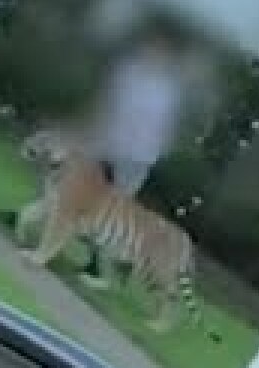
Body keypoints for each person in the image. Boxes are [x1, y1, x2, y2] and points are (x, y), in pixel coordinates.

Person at [74, 23, 190, 286]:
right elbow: (109, 106)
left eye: (160, 53)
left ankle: (106, 269)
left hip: (134, 157)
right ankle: (101, 259)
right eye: (151, 50)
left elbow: (155, 126)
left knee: (112, 215)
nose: (153, 56)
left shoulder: (166, 91)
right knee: (83, 200)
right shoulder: (128, 74)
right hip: (108, 147)